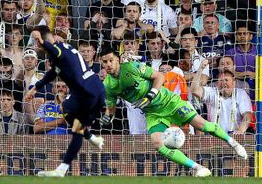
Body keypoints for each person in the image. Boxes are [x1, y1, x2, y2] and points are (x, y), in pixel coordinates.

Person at [98, 47, 247, 177]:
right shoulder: (108, 85)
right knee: (158, 144)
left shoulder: (132, 67)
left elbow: (160, 76)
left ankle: (233, 143)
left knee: (203, 126)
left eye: (111, 60)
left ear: (117, 59)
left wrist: (150, 95)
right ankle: (199, 168)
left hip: (170, 102)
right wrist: (107, 116)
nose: (108, 64)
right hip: (153, 113)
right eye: (105, 62)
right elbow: (111, 107)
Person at [23, 26, 105, 177]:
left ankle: (65, 165)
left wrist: (41, 41)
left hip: (86, 91)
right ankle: (90, 139)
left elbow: (56, 52)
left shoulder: (57, 49)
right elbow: (53, 72)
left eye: (36, 43)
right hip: (95, 89)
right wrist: (36, 88)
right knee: (70, 118)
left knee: (69, 116)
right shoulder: (61, 50)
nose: (36, 46)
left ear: (41, 40)